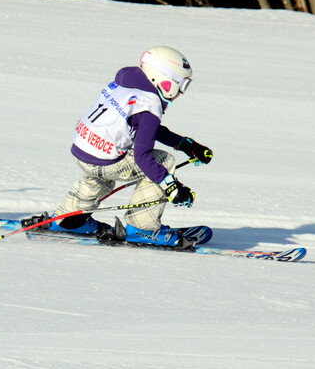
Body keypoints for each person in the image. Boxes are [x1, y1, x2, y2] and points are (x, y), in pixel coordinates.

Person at [46, 46, 213, 247]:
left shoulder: (126, 85)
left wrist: (186, 145)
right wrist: (172, 187)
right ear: (166, 81)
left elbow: (144, 127)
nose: (180, 93)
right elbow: (143, 156)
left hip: (83, 149)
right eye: (182, 85)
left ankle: (68, 221)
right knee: (164, 161)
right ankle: (143, 228)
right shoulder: (150, 104)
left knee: (102, 177)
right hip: (105, 160)